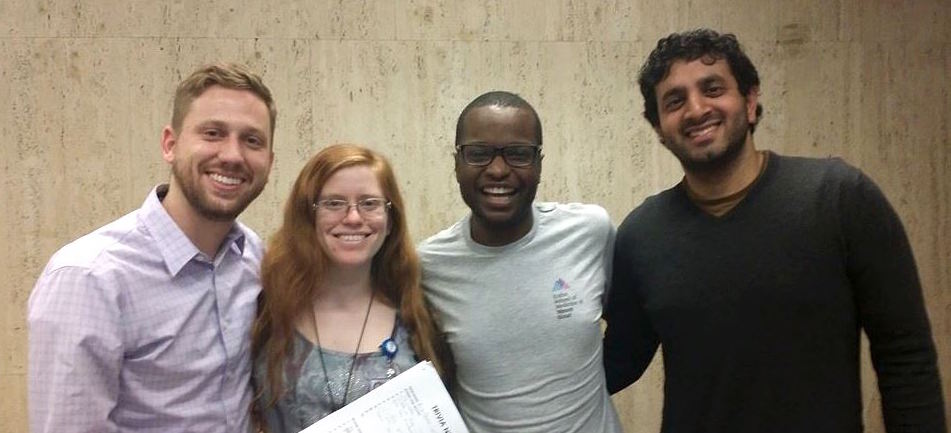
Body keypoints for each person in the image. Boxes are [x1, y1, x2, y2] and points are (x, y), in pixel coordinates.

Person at [603, 28, 946, 432]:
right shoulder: (643, 235)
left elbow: (905, 354)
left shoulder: (838, 198)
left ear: (750, 101)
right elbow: (618, 361)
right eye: (674, 101)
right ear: (660, 128)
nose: (696, 109)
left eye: (712, 89)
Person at [27, 63, 277, 432]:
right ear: (170, 145)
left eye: (252, 140)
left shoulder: (253, 257)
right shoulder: (88, 278)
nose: (232, 155)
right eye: (213, 133)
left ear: (270, 161)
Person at [418, 91, 623, 433]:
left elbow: (629, 334)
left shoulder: (590, 232)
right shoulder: (429, 266)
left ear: (539, 163)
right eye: (478, 154)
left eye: (518, 154)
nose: (498, 170)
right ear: (457, 164)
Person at [251, 144, 451, 432]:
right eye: (334, 203)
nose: (354, 218)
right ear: (308, 215)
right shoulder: (267, 308)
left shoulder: (418, 317)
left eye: (369, 203)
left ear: (390, 220)